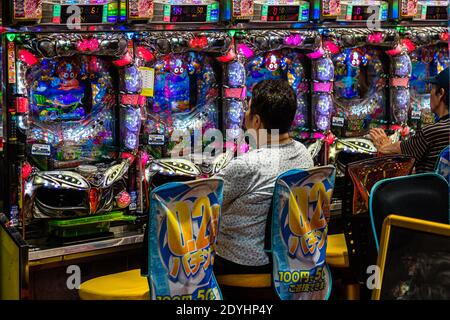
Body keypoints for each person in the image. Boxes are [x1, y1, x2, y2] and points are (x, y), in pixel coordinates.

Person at [214, 79, 314, 274]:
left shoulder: (247, 165)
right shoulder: (303, 153)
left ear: (257, 121)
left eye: (248, 109)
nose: (244, 114)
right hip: (290, 257)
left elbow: (204, 203)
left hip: (244, 263)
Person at [370, 67, 449, 173]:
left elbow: (400, 150)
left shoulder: (432, 132)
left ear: (441, 93)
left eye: (432, 89)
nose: (430, 94)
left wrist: (385, 145)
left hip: (427, 188)